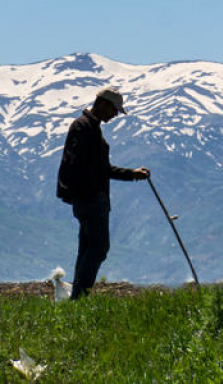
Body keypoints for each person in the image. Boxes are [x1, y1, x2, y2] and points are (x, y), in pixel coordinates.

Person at [56, 86, 150, 300]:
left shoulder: (88, 127)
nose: (115, 114)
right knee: (98, 248)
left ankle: (77, 296)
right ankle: (79, 297)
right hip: (90, 199)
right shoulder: (85, 128)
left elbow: (98, 168)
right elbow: (90, 167)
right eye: (114, 109)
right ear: (103, 104)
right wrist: (127, 176)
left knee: (87, 248)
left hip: (86, 198)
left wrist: (131, 174)